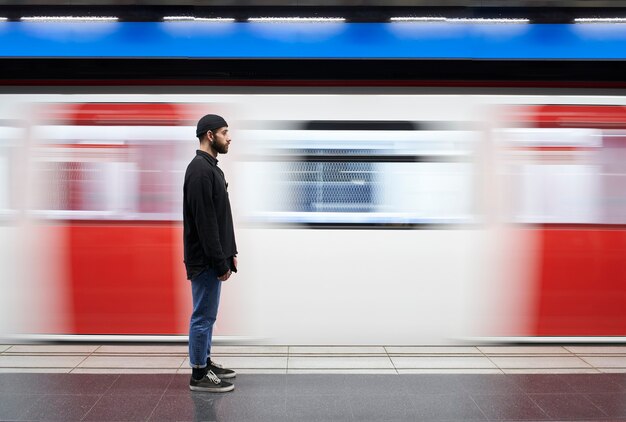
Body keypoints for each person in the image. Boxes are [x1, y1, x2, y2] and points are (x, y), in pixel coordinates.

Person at [183, 114, 238, 392]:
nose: (229, 137)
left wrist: (231, 252)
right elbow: (205, 223)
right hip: (204, 260)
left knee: (208, 315)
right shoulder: (200, 171)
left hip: (213, 257)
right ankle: (198, 373)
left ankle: (205, 360)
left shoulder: (211, 168)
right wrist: (218, 261)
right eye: (224, 132)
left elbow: (220, 216)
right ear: (209, 135)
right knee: (203, 316)